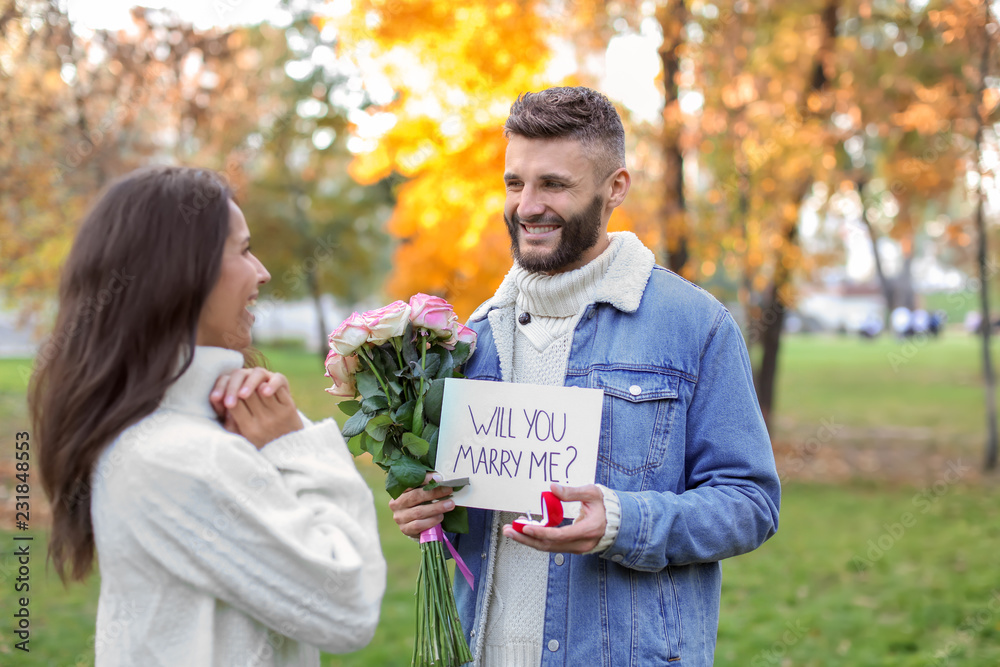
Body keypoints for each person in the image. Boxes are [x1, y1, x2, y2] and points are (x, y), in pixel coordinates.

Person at [389, 87, 780, 665]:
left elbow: (750, 504)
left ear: (613, 188)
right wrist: (428, 512)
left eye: (554, 184)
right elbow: (472, 518)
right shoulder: (474, 338)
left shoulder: (694, 325)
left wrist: (622, 522)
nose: (526, 207)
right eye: (515, 183)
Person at [30, 166, 386, 666]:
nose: (261, 271)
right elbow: (348, 605)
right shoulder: (175, 457)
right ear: (180, 274)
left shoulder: (189, 431)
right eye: (242, 250)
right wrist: (296, 445)